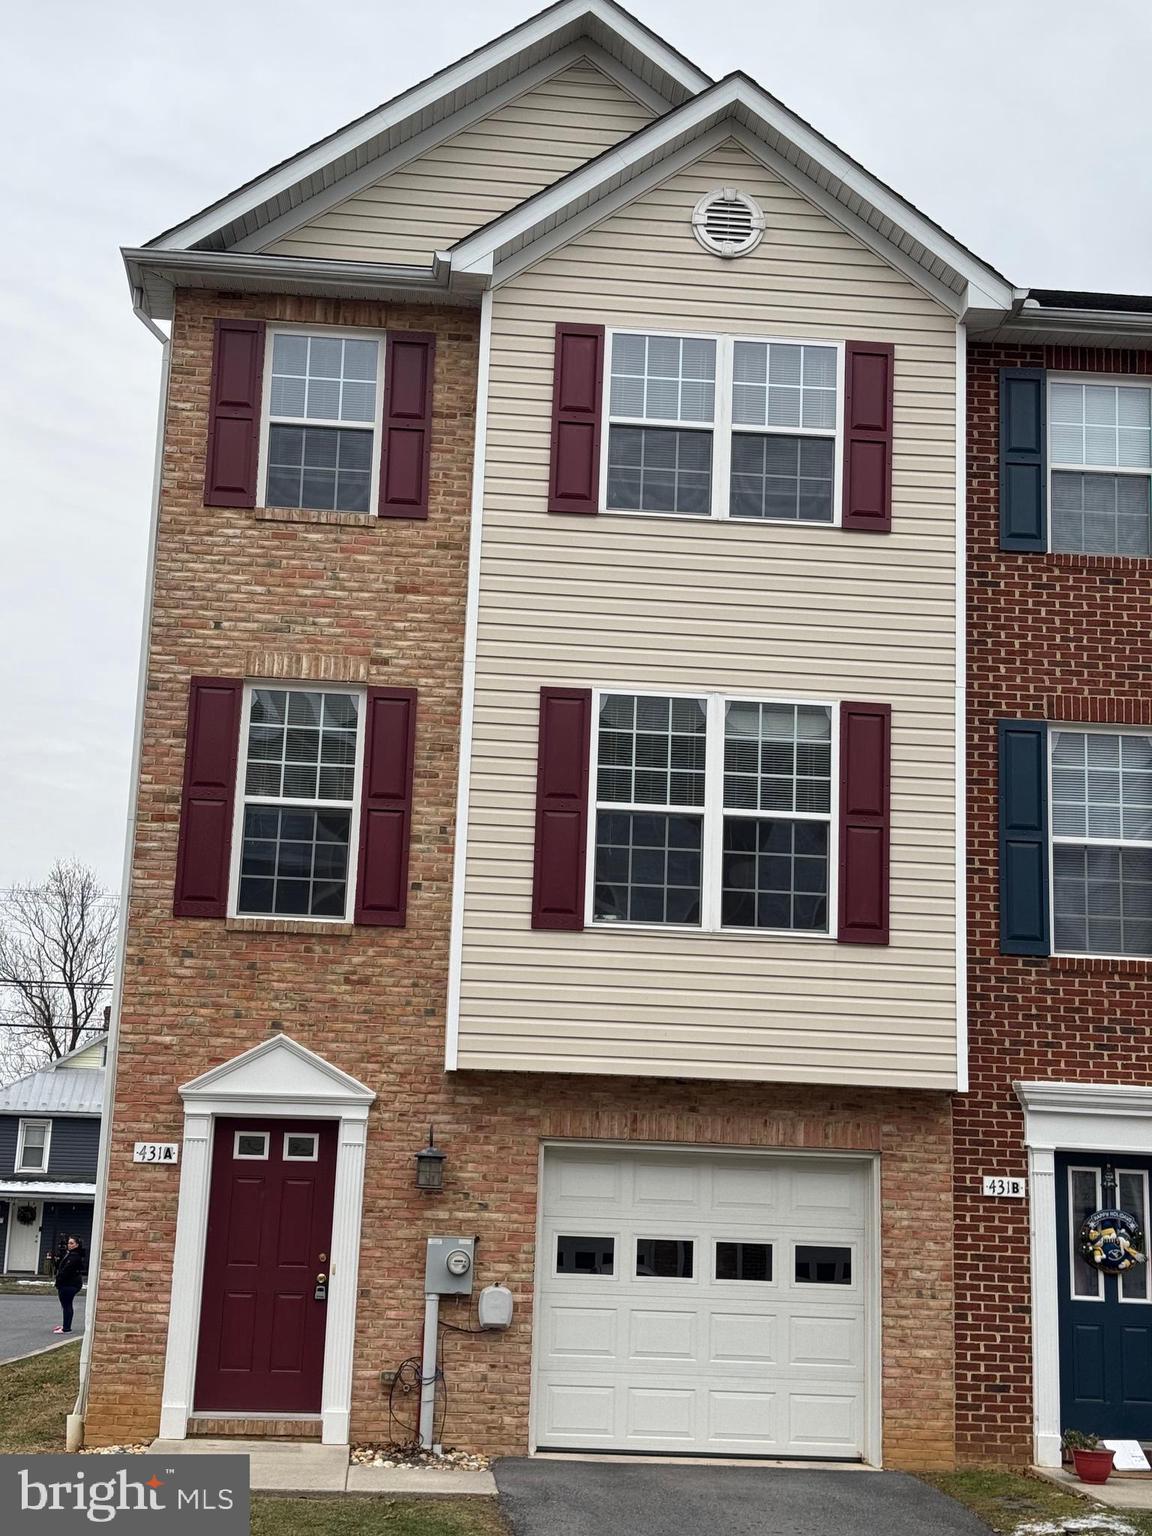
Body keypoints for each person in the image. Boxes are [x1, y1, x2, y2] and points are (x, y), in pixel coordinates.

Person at [53, 1236, 84, 1335]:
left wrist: (59, 1280)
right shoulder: (69, 1254)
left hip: (70, 1284)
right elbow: (60, 1266)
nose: (69, 1245)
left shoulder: (75, 1256)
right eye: (68, 1243)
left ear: (77, 1245)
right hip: (67, 1284)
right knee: (65, 1305)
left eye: (72, 1243)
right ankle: (65, 1325)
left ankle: (66, 1328)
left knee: (67, 1305)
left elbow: (66, 1271)